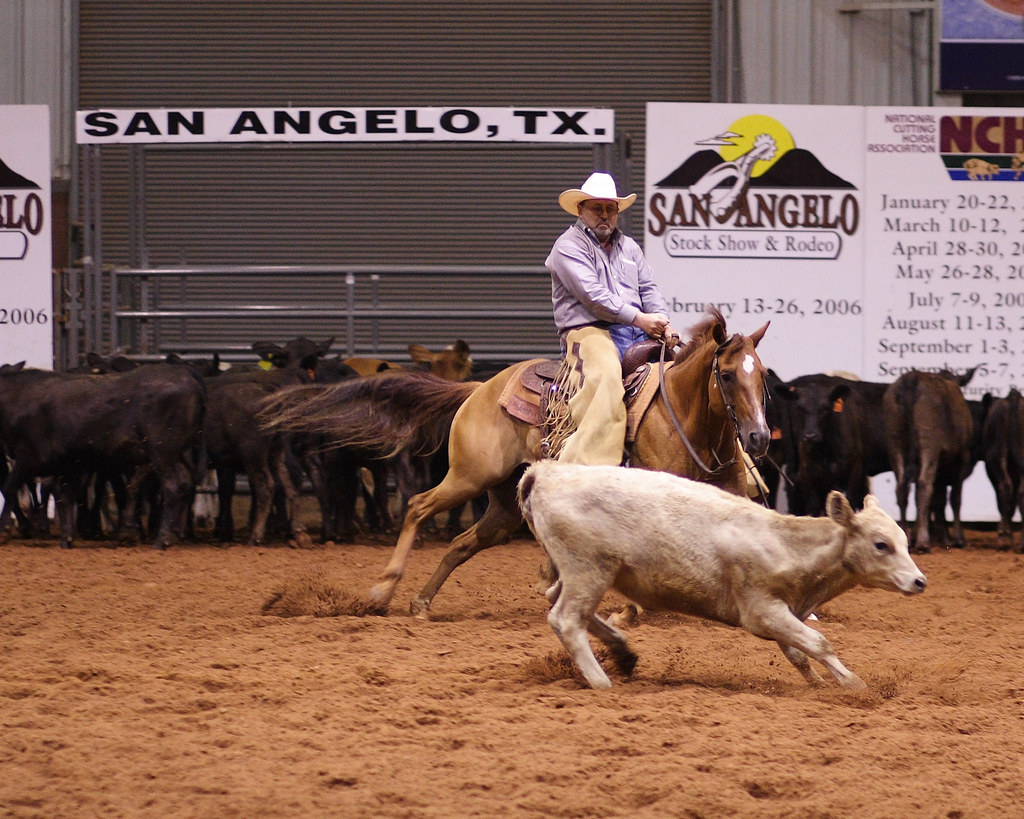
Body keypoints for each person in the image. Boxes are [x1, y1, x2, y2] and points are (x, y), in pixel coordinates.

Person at [545, 171, 679, 466]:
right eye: (597, 208)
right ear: (581, 210)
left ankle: (741, 473)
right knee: (606, 377)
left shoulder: (629, 247)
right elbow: (593, 297)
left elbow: (648, 288)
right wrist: (642, 320)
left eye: (610, 208)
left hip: (636, 328)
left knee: (687, 376)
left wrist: (663, 322)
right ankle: (590, 469)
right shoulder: (568, 247)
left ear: (617, 212)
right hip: (587, 330)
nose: (604, 215)